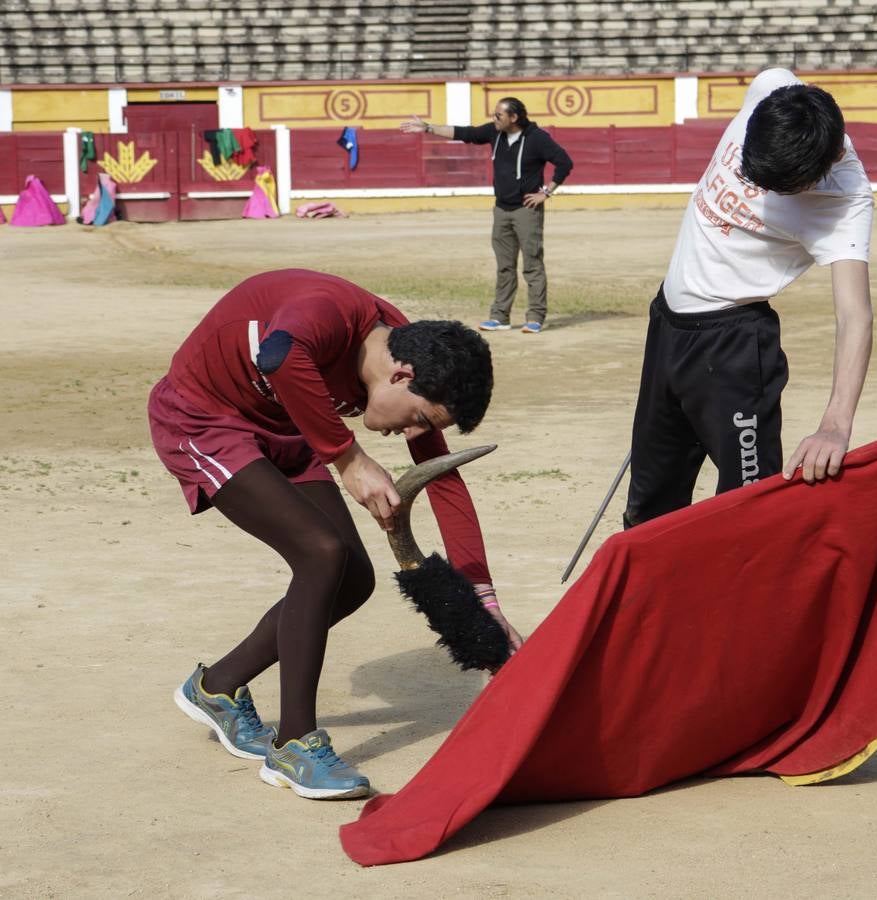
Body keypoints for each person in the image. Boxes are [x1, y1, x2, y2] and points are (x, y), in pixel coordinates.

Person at [149, 268, 523, 800]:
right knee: (322, 554)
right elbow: (278, 355)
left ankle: (217, 687)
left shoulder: (411, 350)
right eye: (419, 417)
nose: (412, 434)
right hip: (205, 418)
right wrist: (349, 460)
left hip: (288, 427)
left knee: (352, 577)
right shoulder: (327, 310)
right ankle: (294, 746)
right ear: (400, 374)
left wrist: (481, 600)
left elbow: (444, 482)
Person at [624, 68, 875, 527]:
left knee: (748, 511)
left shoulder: (846, 201)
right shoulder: (772, 84)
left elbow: (854, 315)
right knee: (647, 508)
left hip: (731, 350)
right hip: (666, 323)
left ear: (828, 161)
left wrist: (836, 423)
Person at [402, 98, 573, 334]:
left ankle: (535, 317)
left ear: (513, 118)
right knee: (504, 266)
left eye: (499, 115)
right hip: (501, 209)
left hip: (527, 211)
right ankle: (500, 316)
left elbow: (564, 162)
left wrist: (546, 192)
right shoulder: (495, 133)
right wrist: (429, 127)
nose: (494, 119)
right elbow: (465, 132)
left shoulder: (537, 138)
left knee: (532, 265)